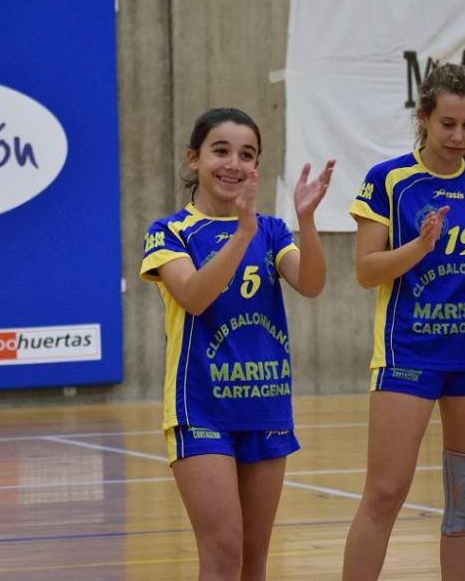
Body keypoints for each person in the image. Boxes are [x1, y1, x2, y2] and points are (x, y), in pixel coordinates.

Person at [342, 63, 465, 580]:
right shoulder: (390, 180)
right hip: (409, 353)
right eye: (448, 123)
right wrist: (420, 246)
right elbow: (365, 271)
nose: (459, 136)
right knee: (384, 493)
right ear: (424, 116)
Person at [140, 107, 335, 581]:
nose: (233, 163)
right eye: (220, 151)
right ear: (193, 159)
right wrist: (241, 232)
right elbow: (194, 296)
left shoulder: (271, 230)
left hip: (265, 405)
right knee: (223, 550)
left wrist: (305, 221)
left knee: (253, 554)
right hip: (200, 408)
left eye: (246, 155)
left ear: (257, 168)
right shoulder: (170, 232)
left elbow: (311, 284)